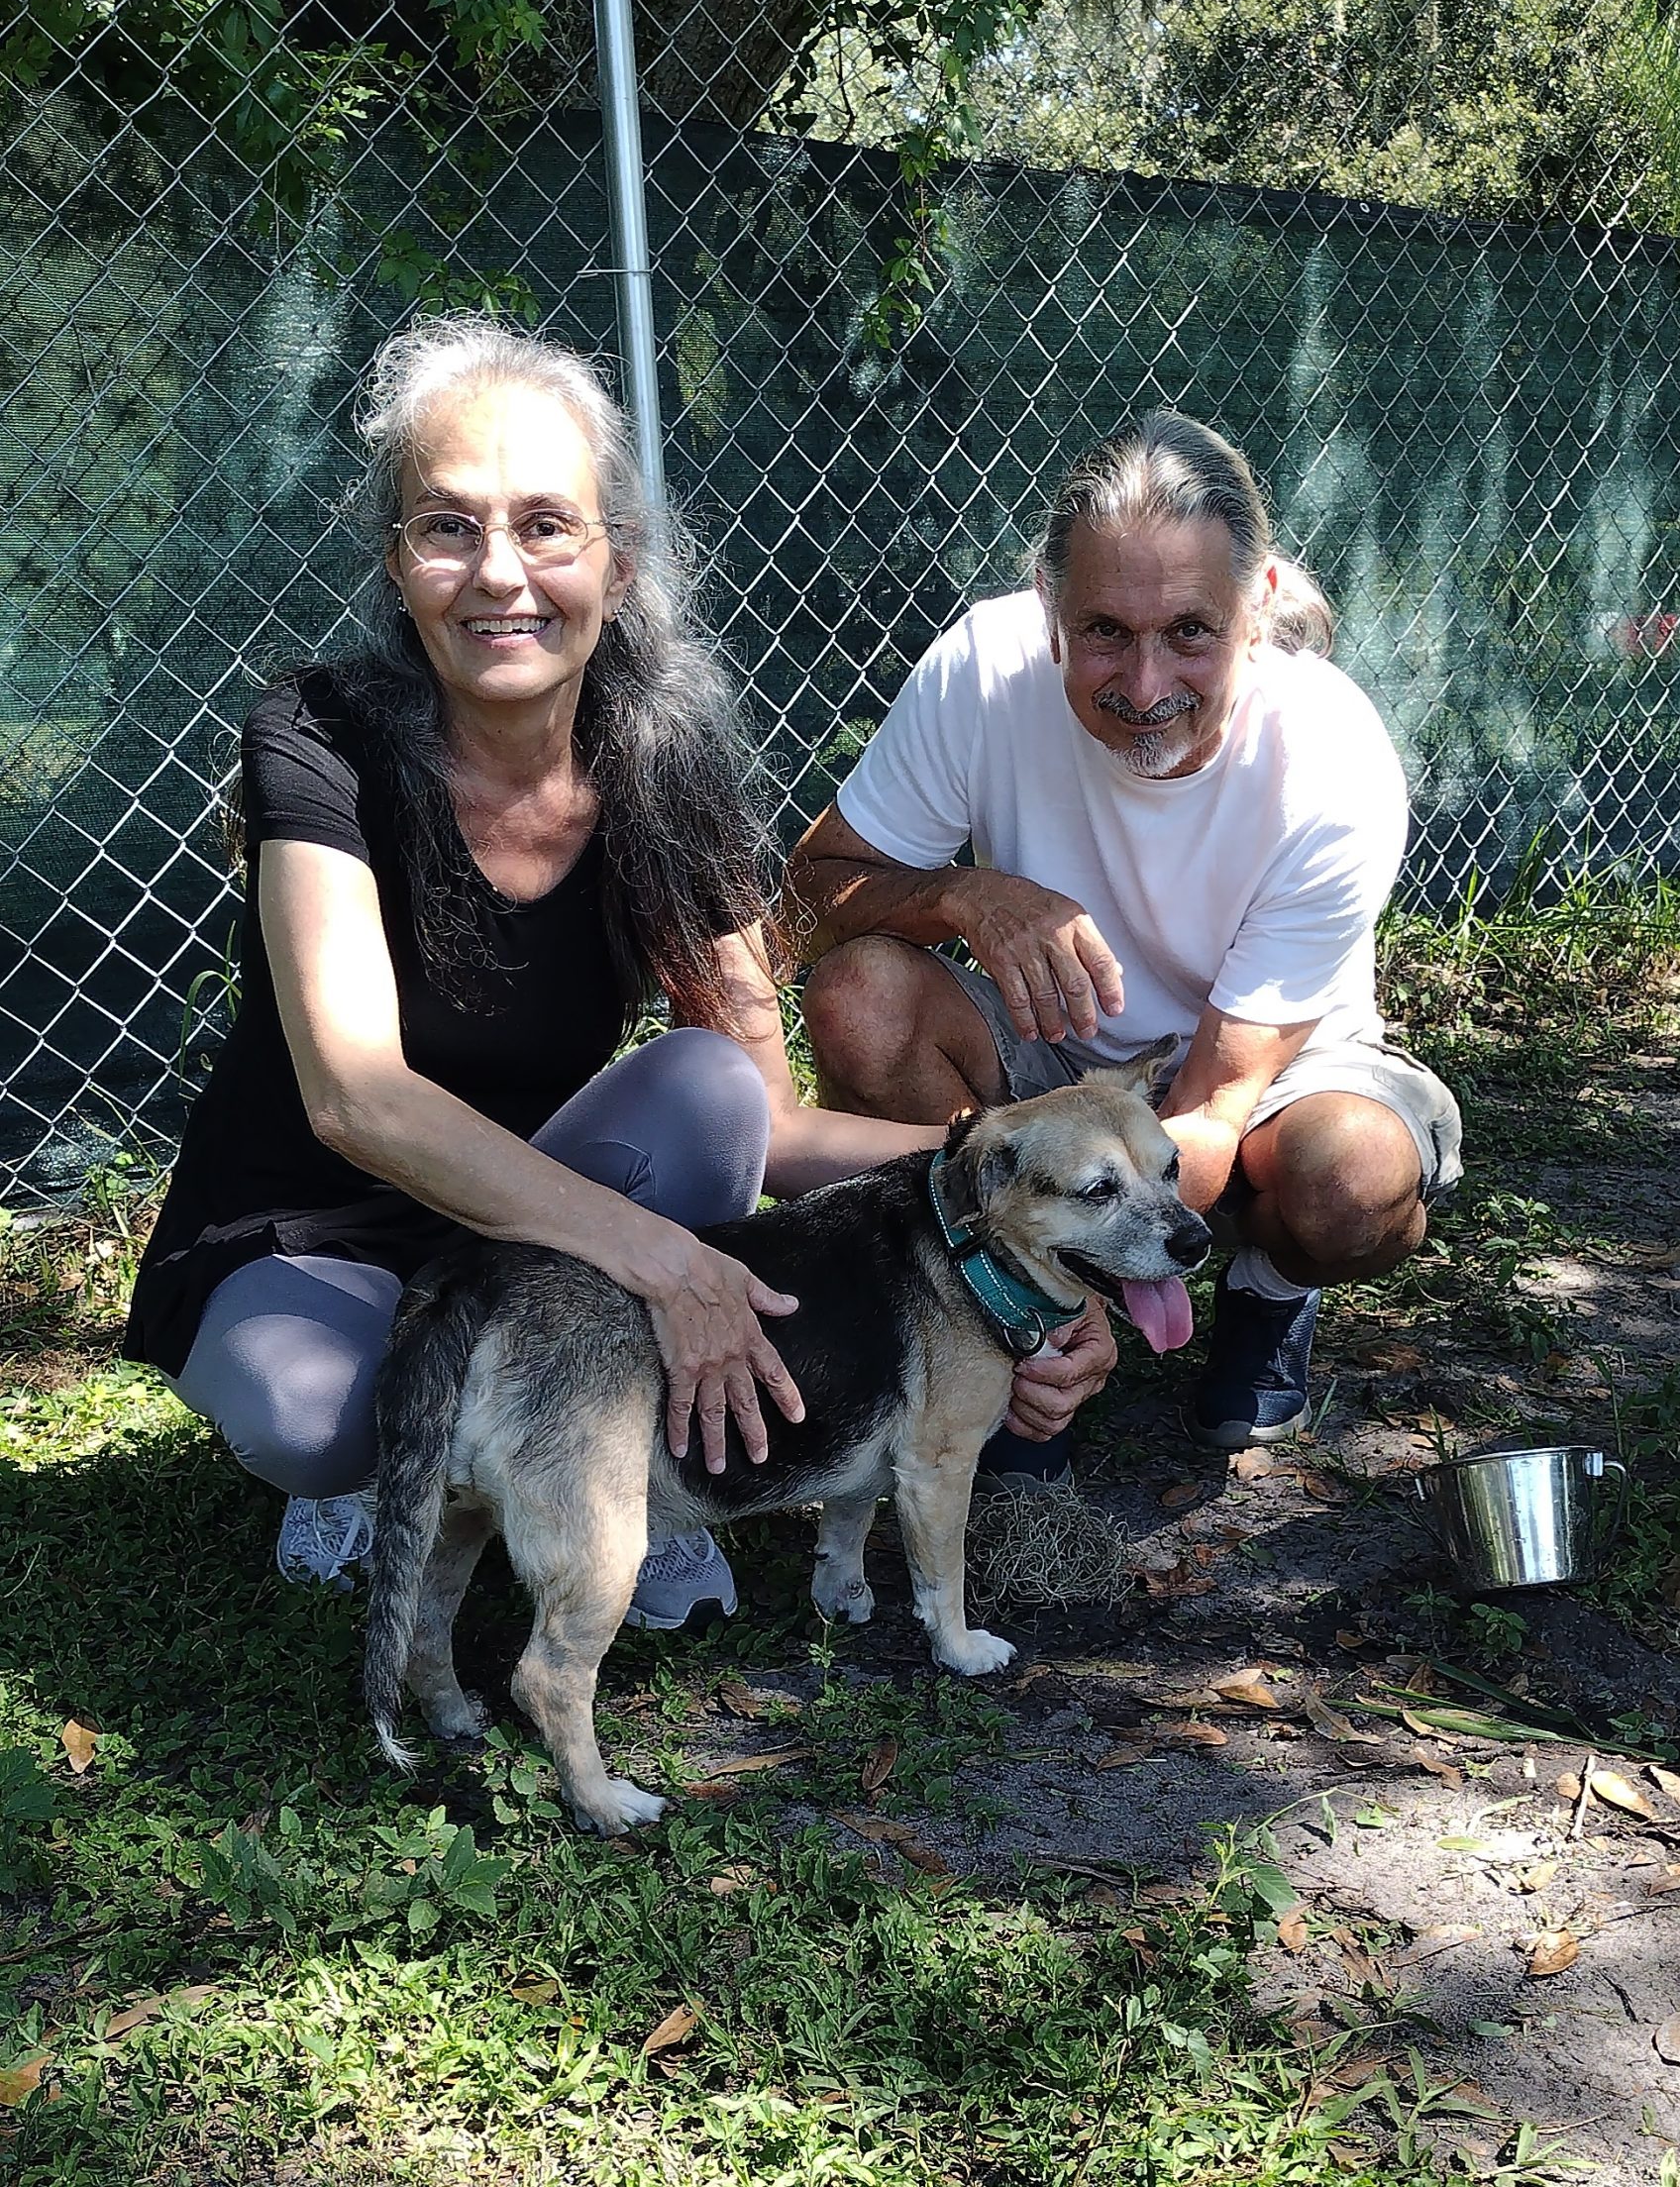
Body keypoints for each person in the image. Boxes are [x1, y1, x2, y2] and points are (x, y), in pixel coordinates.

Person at [126, 318, 934, 1615]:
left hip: (524, 1232)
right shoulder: (319, 736)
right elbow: (358, 1101)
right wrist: (668, 1268)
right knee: (316, 1415)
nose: (500, 574)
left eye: (547, 526)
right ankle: (439, 1465)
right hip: (306, 1240)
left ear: (614, 565)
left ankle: (606, 1472)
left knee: (705, 1090)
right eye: (448, 527)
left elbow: (765, 1123)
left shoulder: (664, 766)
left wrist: (998, 1160)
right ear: (399, 566)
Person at [787, 411, 1462, 1481]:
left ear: (1259, 606)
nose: (1145, 687)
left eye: (1189, 631)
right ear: (1049, 610)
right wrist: (963, 893)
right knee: (860, 992)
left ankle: (1268, 1289)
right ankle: (988, 1308)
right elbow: (814, 893)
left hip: (1268, 1070)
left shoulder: (1333, 762)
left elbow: (1208, 1106)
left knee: (1351, 1182)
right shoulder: (980, 669)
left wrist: (1108, 1268)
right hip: (1051, 1044)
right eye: (1105, 630)